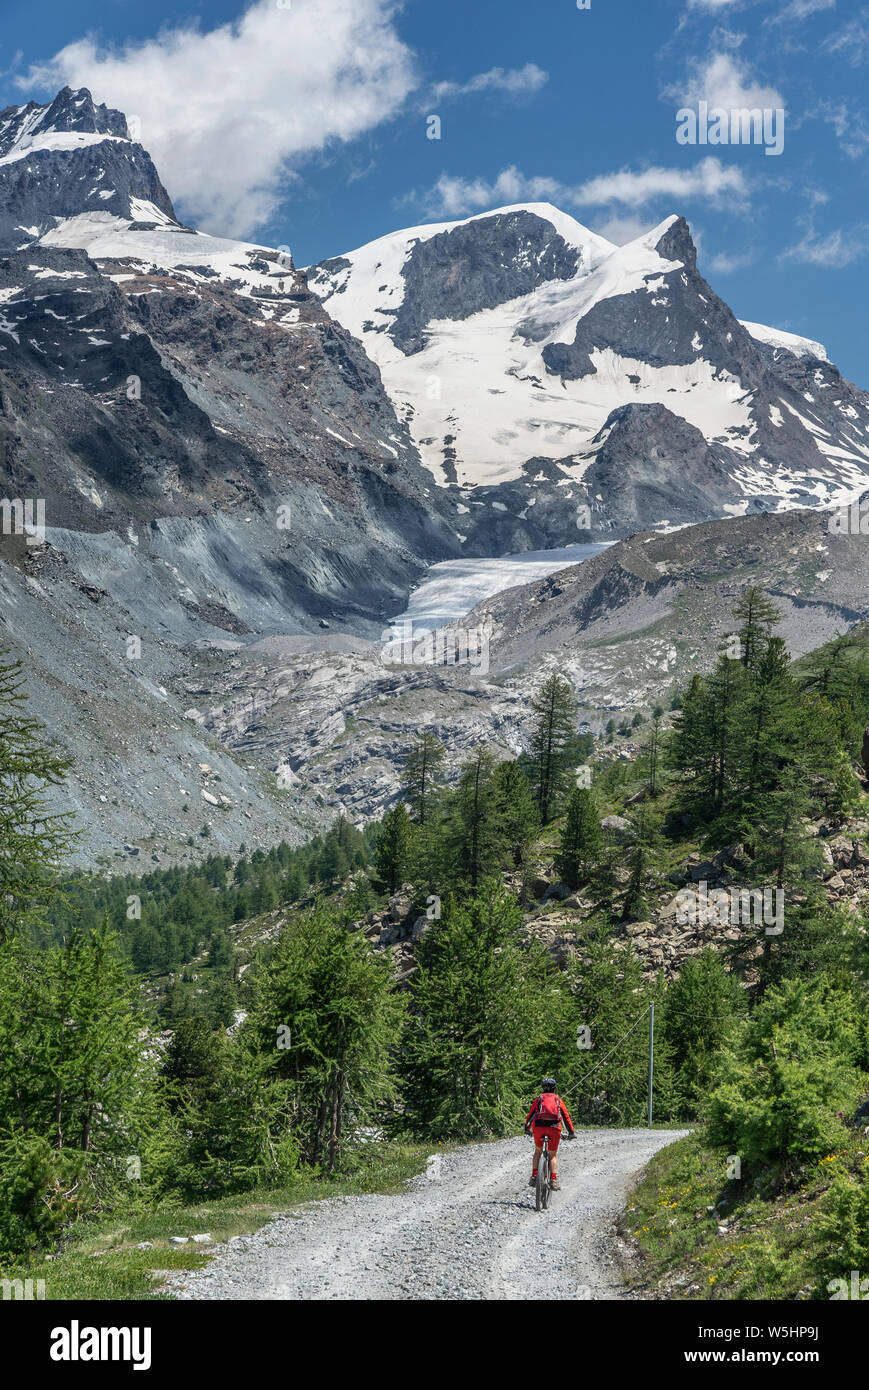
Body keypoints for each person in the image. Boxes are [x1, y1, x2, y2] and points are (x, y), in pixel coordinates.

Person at [524, 1077, 575, 1190]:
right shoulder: (558, 1099)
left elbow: (531, 1115)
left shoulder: (539, 1099)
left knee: (538, 1151)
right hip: (554, 1128)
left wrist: (527, 1128)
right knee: (552, 1155)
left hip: (538, 1127)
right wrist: (571, 1132)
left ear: (542, 1088)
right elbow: (566, 1117)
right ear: (554, 1088)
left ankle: (534, 1176)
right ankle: (553, 1179)